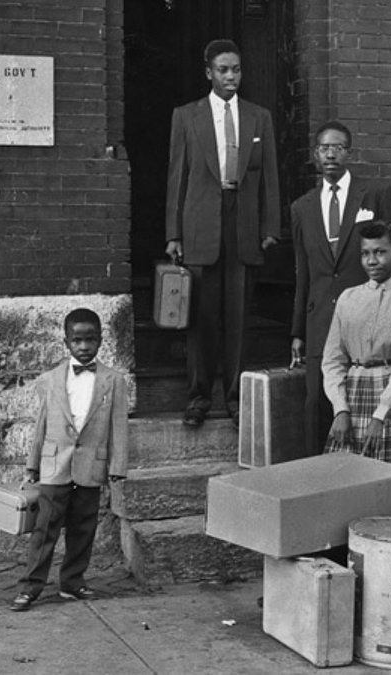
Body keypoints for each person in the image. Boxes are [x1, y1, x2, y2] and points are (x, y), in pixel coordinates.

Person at [165, 38, 280, 427]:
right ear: (209, 73)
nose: (232, 77)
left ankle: (234, 399)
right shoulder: (186, 116)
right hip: (200, 226)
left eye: (237, 70)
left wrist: (269, 226)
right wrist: (174, 233)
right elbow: (176, 177)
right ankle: (198, 398)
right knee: (201, 316)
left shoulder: (258, 117)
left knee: (239, 315)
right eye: (223, 70)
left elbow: (269, 176)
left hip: (243, 221)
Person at [290, 120, 391, 454]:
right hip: (320, 320)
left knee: (363, 408)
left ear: (349, 153)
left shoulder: (375, 195)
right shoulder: (302, 208)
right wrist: (298, 330)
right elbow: (303, 272)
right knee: (319, 406)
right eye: (324, 148)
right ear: (315, 155)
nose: (331, 155)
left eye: (337, 148)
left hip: (368, 319)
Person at [12, 308, 129, 612]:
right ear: (66, 342)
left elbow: (119, 426)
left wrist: (117, 467)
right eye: (77, 340)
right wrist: (32, 465)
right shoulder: (50, 379)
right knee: (44, 528)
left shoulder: (113, 380)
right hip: (54, 465)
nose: (84, 346)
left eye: (90, 339)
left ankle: (73, 581)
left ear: (101, 341)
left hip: (91, 465)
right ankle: (30, 587)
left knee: (83, 527)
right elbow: (40, 425)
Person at [321, 221, 391, 470]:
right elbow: (333, 359)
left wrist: (382, 414)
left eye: (380, 252)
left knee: (388, 475)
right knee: (344, 475)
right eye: (365, 253)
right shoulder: (348, 298)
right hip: (353, 393)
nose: (372, 260)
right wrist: (340, 409)